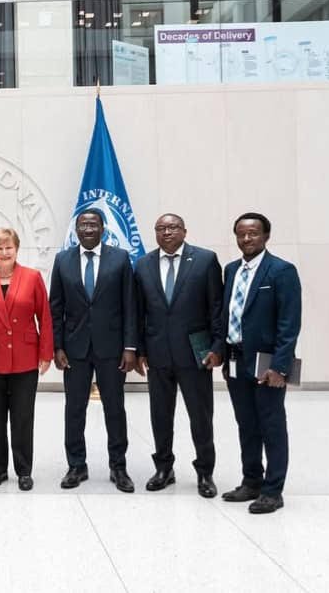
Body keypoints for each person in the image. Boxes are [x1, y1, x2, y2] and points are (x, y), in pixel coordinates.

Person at [134, 213, 225, 498]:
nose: (166, 232)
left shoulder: (205, 260)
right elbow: (139, 312)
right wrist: (139, 351)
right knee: (160, 416)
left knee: (200, 417)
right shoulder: (143, 264)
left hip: (195, 355)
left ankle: (205, 472)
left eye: (172, 227)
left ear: (184, 230)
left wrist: (217, 347)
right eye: (160, 228)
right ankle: (164, 468)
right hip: (158, 355)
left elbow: (217, 308)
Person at [48, 209, 138, 493]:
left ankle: (118, 466)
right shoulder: (62, 260)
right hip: (74, 349)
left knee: (115, 407)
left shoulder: (120, 258)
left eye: (93, 224)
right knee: (74, 409)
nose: (88, 228)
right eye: (83, 224)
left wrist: (130, 346)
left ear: (102, 228)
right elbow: (56, 307)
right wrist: (57, 346)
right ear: (76, 229)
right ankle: (76, 465)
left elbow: (129, 305)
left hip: (112, 348)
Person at [222, 212, 302, 515]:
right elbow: (226, 315)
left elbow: (289, 323)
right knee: (247, 424)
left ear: (266, 236)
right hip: (235, 358)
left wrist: (280, 366)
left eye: (253, 233)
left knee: (271, 424)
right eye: (241, 234)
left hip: (266, 362)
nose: (247, 239)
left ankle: (272, 490)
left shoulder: (281, 271)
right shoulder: (231, 270)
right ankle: (251, 480)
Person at [0, 227, 53, 491]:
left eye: (9, 247)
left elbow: (45, 317)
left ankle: (24, 470)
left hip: (24, 357)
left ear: (17, 248)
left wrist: (46, 353)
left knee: (23, 416)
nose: (5, 252)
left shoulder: (32, 277)